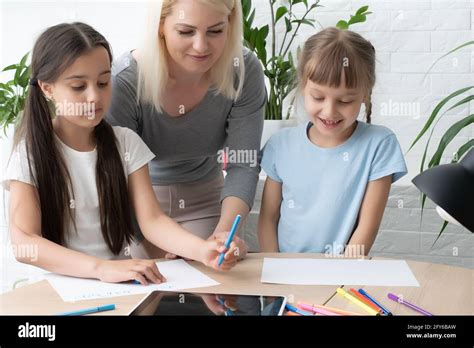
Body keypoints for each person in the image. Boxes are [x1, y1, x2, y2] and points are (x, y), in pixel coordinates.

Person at [2, 22, 242, 286]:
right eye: (79, 87)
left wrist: (202, 251)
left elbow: (152, 220)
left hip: (118, 286)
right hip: (56, 289)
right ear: (47, 88)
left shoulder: (126, 143)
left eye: (103, 82)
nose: (95, 96)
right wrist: (100, 268)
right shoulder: (30, 152)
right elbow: (25, 242)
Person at [106, 0, 264, 259]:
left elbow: (242, 163)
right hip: (139, 201)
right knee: (151, 286)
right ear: (160, 27)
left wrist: (221, 238)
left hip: (207, 196)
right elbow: (117, 178)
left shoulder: (243, 71)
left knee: (212, 281)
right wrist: (166, 246)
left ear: (231, 23)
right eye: (186, 32)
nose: (201, 46)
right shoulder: (124, 82)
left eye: (215, 31)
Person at [258, 27, 408, 256]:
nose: (329, 111)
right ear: (302, 86)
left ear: (365, 94)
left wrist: (340, 276)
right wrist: (275, 268)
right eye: (318, 97)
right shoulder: (280, 144)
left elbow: (366, 228)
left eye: (345, 100)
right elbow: (268, 218)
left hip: (342, 276)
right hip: (284, 276)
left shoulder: (379, 145)